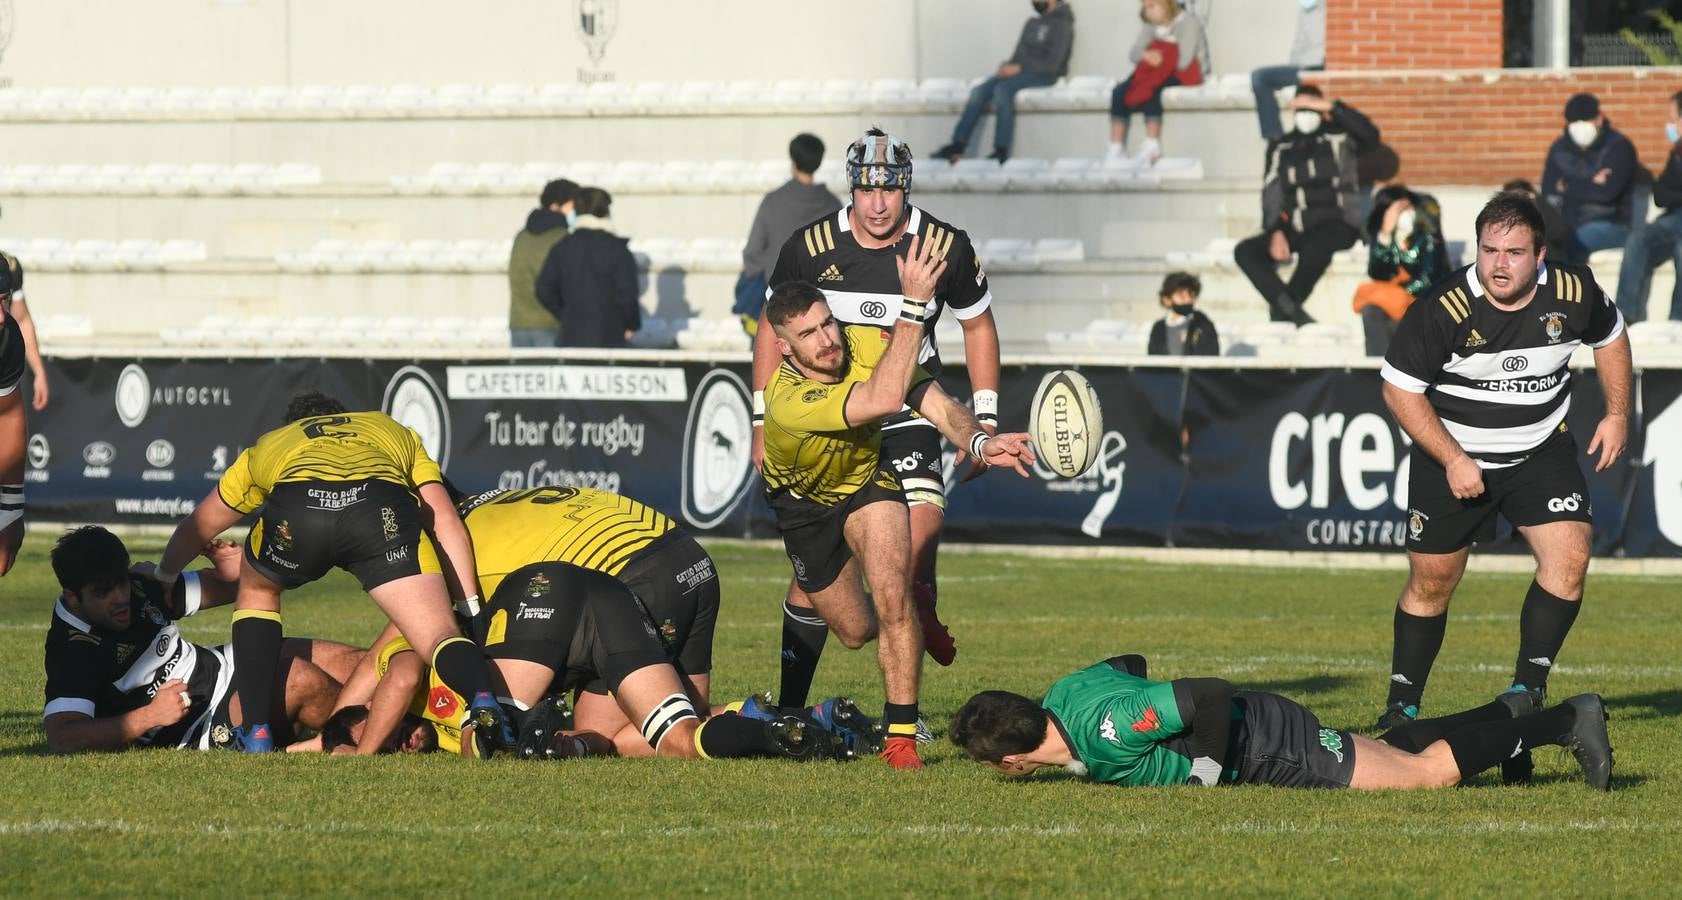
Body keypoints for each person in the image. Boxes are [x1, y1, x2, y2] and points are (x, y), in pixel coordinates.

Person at [752, 129, 1006, 737]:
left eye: (888, 189)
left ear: (905, 188)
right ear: (852, 188)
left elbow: (978, 326)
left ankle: (905, 718)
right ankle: (791, 706)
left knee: (911, 550)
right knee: (832, 592)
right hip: (839, 417)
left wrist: (986, 418)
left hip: (914, 406)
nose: (877, 203)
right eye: (866, 188)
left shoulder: (944, 245)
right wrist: (762, 420)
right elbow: (772, 329)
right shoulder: (809, 246)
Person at [1374, 192, 1631, 779]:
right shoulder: (1444, 306)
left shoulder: (1572, 291)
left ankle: (1527, 690)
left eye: (1514, 252)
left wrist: (1617, 412)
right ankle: (1401, 704)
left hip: (1540, 451)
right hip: (1452, 457)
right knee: (1432, 580)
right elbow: (1398, 391)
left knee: (1570, 554)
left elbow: (1611, 337)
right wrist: (1453, 457)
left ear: (1539, 255)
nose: (1498, 264)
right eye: (1489, 249)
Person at [759, 277, 1036, 769]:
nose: (827, 340)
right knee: (854, 628)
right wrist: (913, 305)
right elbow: (884, 400)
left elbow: (932, 401)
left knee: (894, 595)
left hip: (868, 481)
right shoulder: (788, 399)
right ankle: (901, 616)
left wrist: (978, 442)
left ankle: (901, 739)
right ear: (784, 348)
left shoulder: (860, 341)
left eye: (828, 323)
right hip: (805, 507)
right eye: (809, 334)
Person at [154, 391, 514, 755]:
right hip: (378, 512)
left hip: (300, 512)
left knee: (258, 589)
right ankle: (483, 698)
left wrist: (166, 577)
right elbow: (444, 519)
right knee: (438, 634)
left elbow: (198, 525)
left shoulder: (271, 444)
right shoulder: (389, 428)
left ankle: (256, 731)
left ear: (294, 426)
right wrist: (471, 608)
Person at [321, 565, 859, 763]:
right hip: (608, 596)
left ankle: (520, 739)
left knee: (487, 736)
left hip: (542, 599)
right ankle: (791, 728)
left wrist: (362, 753)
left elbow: (403, 675)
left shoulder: (409, 674)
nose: (402, 743)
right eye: (394, 748)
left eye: (388, 734)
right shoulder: (426, 737)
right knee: (655, 740)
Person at [950, 653, 1613, 791]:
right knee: (1392, 748)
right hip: (1268, 728)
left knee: (1424, 777)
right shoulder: (1065, 691)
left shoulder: (1110, 732)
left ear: (1007, 761)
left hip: (1272, 746)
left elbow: (1208, 694)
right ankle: (1507, 713)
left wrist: (1206, 768)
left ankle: (1565, 721)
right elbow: (1128, 661)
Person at [41, 526, 361, 753]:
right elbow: (62, 736)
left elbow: (236, 588)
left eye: (121, 583)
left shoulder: (138, 585)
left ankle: (399, 713)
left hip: (220, 667)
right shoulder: (72, 650)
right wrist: (148, 717)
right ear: (73, 598)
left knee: (344, 659)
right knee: (299, 679)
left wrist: (238, 570)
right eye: (103, 592)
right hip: (202, 724)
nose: (120, 597)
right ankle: (390, 734)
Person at [448, 484, 720, 748]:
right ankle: (746, 717)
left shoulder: (443, 545)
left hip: (632, 573)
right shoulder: (489, 504)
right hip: (690, 555)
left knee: (608, 735)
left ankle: (754, 732)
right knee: (694, 717)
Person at [1233, 84, 1377, 326]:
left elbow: (1371, 136)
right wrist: (1275, 230)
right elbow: (1272, 193)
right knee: (1245, 251)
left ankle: (1283, 310)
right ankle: (1288, 308)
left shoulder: (1340, 137)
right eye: (1300, 107)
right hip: (1297, 226)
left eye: (1310, 107)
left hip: (1338, 223)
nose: (1305, 113)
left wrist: (1332, 107)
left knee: (1316, 247)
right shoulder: (1282, 146)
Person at [932, 0, 1075, 165]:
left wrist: (1019, 68)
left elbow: (1054, 65)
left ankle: (1001, 149)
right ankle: (957, 145)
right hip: (1022, 72)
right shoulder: (1032, 23)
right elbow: (1018, 56)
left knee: (1003, 90)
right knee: (980, 91)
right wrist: (1007, 66)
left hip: (1044, 75)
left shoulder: (1063, 24)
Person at [736, 134, 843, 336]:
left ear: (793, 161)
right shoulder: (832, 205)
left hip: (777, 308)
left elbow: (752, 252)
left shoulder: (773, 201)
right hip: (820, 311)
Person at [1541, 92, 1641, 264]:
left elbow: (1607, 194)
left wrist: (1567, 185)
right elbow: (1548, 189)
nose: (1579, 127)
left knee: (1573, 243)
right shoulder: (1559, 149)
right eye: (1574, 122)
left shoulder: (1618, 147)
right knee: (1542, 242)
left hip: (1612, 224)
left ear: (1599, 119)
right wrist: (1591, 182)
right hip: (1565, 222)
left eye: (1584, 121)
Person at [535, 186, 641, 348]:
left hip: (570, 337)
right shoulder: (617, 249)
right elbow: (627, 294)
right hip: (610, 337)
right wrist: (630, 324)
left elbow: (544, 289)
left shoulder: (563, 247)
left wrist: (566, 315)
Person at [1106, 0, 1207, 166]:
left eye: (1152, 6)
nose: (1148, 11)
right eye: (1145, 7)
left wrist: (1162, 55)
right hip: (1157, 70)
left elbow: (1184, 61)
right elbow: (1134, 53)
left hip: (1183, 74)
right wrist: (1147, 55)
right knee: (1119, 91)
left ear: (1166, 5)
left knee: (1154, 88)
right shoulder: (1151, 26)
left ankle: (1152, 144)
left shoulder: (1189, 23)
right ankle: (1116, 147)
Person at [1355, 186, 1450, 356]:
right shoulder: (1385, 235)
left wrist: (1400, 294)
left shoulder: (1427, 234)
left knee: (1400, 322)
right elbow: (1376, 272)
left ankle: (1400, 370)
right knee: (1371, 311)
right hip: (1395, 300)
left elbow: (1428, 279)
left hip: (1424, 301)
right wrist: (1385, 236)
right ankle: (1377, 368)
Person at [1615, 89, 1682, 324]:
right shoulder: (1677, 152)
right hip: (1673, 219)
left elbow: (1666, 192)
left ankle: (1678, 320)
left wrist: (1673, 194)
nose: (1670, 125)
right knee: (1639, 238)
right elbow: (1660, 194)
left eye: (1673, 119)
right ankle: (1625, 314)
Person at [507, 178, 578, 347]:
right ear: (556, 205)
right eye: (572, 206)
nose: (575, 211)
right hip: (549, 324)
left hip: (518, 322)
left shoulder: (521, 236)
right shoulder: (562, 238)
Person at [1249, 0, 1325, 140]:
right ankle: (1275, 137)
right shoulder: (1307, 6)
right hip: (1301, 68)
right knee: (1259, 78)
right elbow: (1299, 45)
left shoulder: (1335, 8)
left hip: (1320, 66)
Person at [0, 271, 25, 576]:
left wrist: (11, 508)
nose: (1, 317)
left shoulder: (6, 339)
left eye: (4, 301)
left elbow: (8, 414)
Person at [1146, 270, 1219, 355]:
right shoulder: (1158, 328)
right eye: (1182, 296)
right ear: (1167, 299)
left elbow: (1210, 356)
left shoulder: (1203, 325)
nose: (1188, 300)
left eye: (1191, 295)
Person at [1502, 178, 1570, 263]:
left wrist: (1537, 203)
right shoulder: (1503, 217)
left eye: (1522, 197)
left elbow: (1558, 232)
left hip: (1550, 262)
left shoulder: (1542, 208)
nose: (1518, 203)